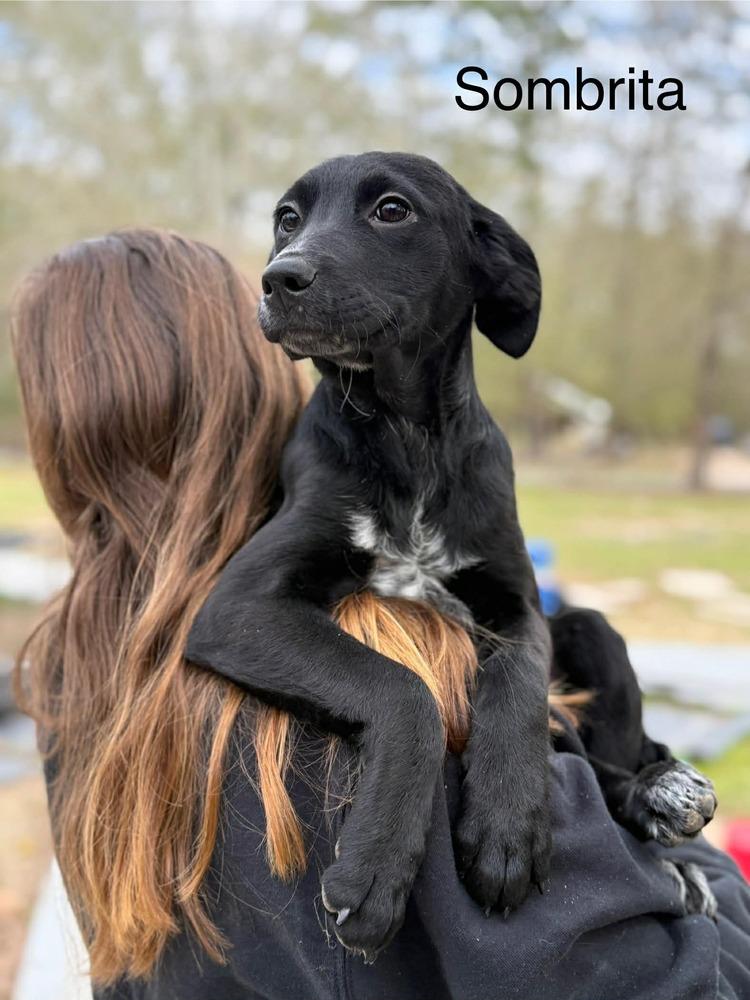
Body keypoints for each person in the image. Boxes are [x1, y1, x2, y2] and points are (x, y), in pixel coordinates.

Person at [11, 230, 750, 1000]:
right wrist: (692, 866)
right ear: (274, 382)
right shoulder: (419, 663)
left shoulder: (75, 675)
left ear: (59, 445)